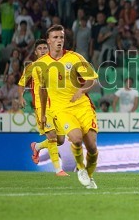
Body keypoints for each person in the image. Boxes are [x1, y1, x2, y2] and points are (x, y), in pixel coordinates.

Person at [36, 25, 99, 189]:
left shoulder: (75, 58)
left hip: (82, 106)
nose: (59, 41)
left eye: (61, 37)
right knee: (76, 139)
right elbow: (42, 91)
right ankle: (81, 169)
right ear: (48, 40)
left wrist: (82, 89)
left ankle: (89, 175)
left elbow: (92, 79)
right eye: (55, 37)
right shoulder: (41, 64)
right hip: (61, 110)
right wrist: (43, 114)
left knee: (92, 146)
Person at [17, 39, 68, 176]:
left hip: (57, 106)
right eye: (40, 48)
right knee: (51, 135)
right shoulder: (32, 67)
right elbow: (21, 83)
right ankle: (58, 170)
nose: (43, 50)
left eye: (45, 48)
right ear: (35, 52)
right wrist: (21, 97)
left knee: (61, 140)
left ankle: (37, 146)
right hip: (41, 107)